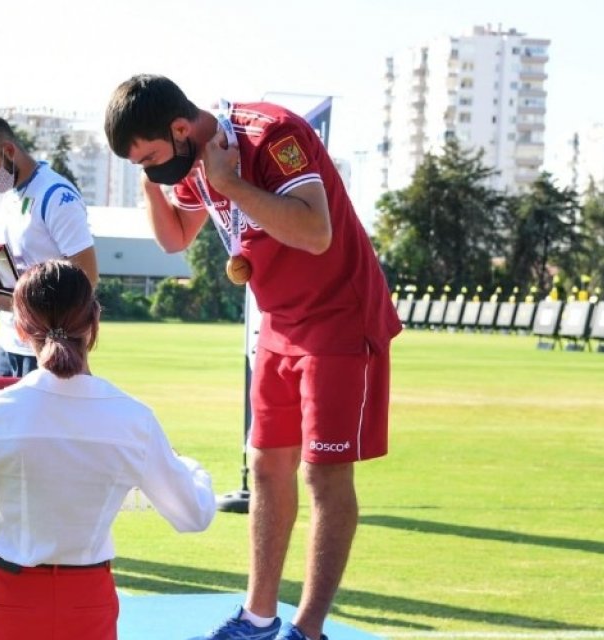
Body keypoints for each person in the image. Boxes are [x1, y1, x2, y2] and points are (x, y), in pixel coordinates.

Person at [104, 75, 402, 640]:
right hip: (279, 322)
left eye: (153, 156)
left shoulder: (271, 134)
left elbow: (315, 231)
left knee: (323, 473)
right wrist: (151, 184)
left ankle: (308, 629)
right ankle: (258, 617)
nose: (153, 169)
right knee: (266, 467)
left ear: (180, 128)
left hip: (339, 316)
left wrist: (231, 184)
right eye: (140, 163)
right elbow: (174, 239)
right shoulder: (191, 161)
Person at [0, 260, 216, 640]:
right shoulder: (134, 418)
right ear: (94, 322)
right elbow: (193, 515)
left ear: (22, 328)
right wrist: (192, 467)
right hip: (87, 602)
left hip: (4, 599)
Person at [0, 115, 99, 377]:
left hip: (51, 349)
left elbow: (87, 278)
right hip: (9, 343)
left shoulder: (56, 197)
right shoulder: (3, 196)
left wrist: (19, 304)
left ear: (8, 151)